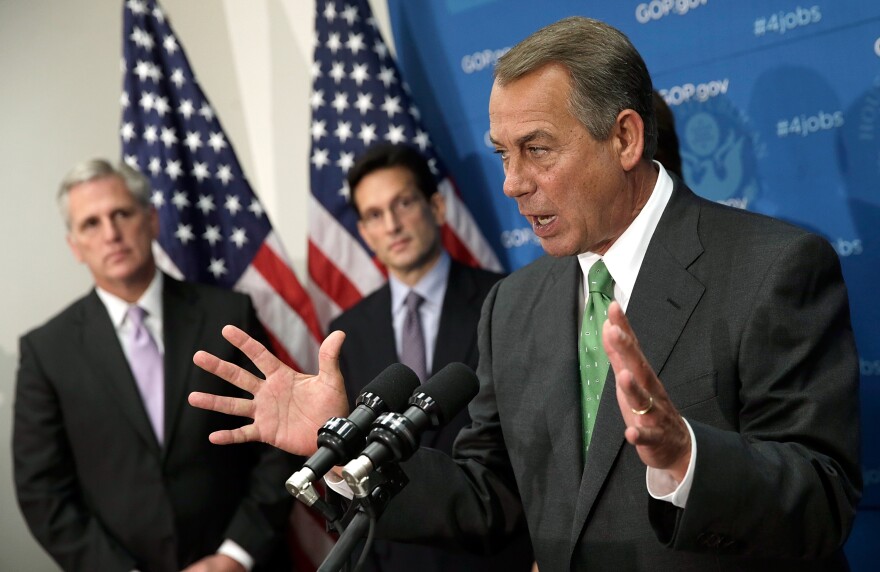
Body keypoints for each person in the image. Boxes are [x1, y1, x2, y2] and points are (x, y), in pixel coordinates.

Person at [189, 16, 861, 571]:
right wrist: (342, 451)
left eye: (538, 150)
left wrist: (688, 461)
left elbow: (823, 501)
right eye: (503, 154)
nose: (513, 183)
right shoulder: (513, 305)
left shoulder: (774, 268)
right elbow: (488, 499)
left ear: (624, 137)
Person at [13, 159, 297, 572]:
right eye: (91, 224)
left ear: (151, 220)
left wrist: (235, 555)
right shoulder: (46, 351)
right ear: (74, 246)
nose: (111, 234)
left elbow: (278, 441)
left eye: (121, 214)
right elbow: (42, 493)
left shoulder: (228, 314)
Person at [328, 142, 531, 571]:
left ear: (436, 207)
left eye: (403, 203)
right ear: (364, 233)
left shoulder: (509, 301)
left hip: (492, 556)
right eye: (375, 215)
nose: (393, 225)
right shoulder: (346, 332)